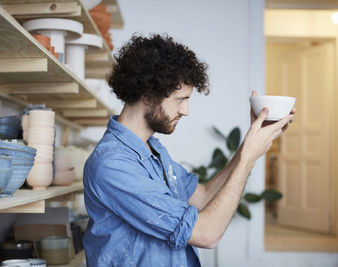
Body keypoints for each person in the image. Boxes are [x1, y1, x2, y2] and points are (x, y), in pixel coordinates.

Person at [83, 34, 295, 267]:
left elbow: (202, 197)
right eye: (180, 99)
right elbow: (207, 234)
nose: (185, 110)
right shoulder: (113, 164)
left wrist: (248, 145)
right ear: (147, 95)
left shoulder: (152, 149)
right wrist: (248, 159)